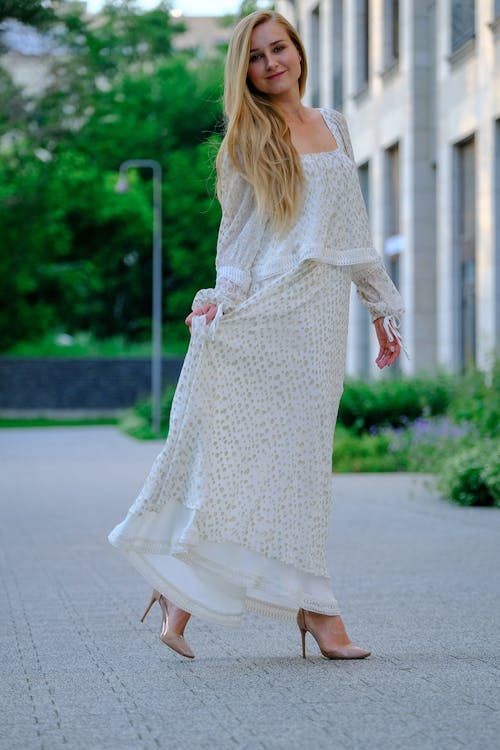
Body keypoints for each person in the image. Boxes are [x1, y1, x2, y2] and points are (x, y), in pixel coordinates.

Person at [108, 10, 405, 661]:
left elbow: (351, 229)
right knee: (255, 465)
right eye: (256, 56)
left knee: (297, 467)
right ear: (245, 70)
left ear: (296, 51)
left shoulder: (335, 124)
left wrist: (382, 306)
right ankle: (315, 613)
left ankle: (188, 598)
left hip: (322, 320)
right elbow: (237, 244)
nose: (271, 62)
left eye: (279, 49)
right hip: (270, 310)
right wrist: (221, 300)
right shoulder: (247, 140)